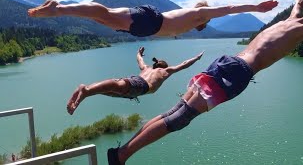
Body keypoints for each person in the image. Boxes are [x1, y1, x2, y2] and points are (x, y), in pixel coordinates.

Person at [107, 0, 303, 165]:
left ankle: (122, 152)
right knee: (180, 118)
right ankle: (122, 156)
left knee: (176, 111)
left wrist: (299, 2)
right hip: (238, 72)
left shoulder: (291, 23)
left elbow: (298, 13)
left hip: (228, 62)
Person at [28, 0, 278, 37]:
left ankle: (60, 8)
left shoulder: (193, 21)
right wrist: (256, 6)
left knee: (103, 19)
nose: (207, 23)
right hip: (151, 21)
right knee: (105, 14)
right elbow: (230, 8)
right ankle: (57, 8)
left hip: (147, 25)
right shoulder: (201, 13)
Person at [67, 47, 204, 115]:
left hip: (135, 87)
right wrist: (196, 58)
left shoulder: (146, 68)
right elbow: (183, 64)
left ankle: (84, 89)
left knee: (111, 88)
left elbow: (139, 59)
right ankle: (85, 90)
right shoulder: (164, 71)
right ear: (164, 67)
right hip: (141, 87)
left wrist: (139, 52)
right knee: (117, 85)